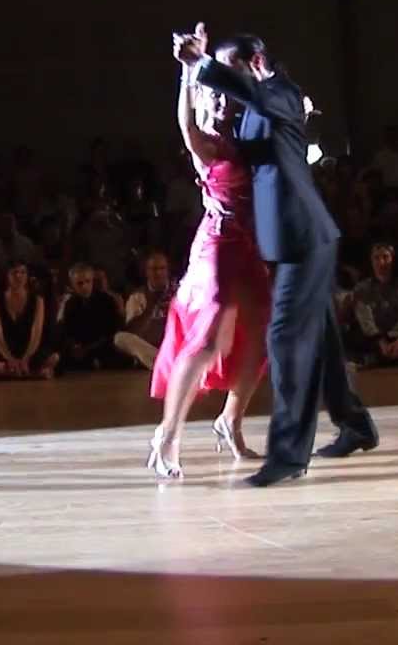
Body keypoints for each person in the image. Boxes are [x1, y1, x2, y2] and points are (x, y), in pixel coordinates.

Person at [176, 23, 378, 487]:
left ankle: (287, 457)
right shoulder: (256, 107)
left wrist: (203, 66)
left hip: (305, 239)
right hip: (291, 241)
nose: (227, 81)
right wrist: (194, 79)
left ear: (256, 64)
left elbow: (264, 99)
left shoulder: (282, 92)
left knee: (285, 340)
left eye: (233, 70)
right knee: (323, 342)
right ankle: (356, 425)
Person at [145, 55, 272, 478]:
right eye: (212, 95)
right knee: (208, 342)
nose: (220, 102)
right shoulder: (208, 144)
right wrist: (186, 72)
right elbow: (185, 126)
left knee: (260, 337)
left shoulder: (245, 135)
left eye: (225, 94)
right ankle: (168, 435)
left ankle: (230, 421)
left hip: (249, 247)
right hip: (218, 247)